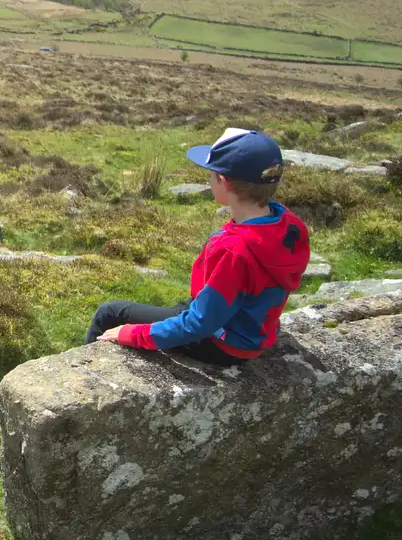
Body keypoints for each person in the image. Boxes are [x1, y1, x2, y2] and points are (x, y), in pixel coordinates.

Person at [86, 128, 310, 368]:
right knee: (178, 308)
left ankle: (86, 374)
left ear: (223, 182)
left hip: (224, 343)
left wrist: (133, 334)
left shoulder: (234, 249)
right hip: (252, 327)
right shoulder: (286, 223)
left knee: (109, 313)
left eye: (211, 174)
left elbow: (199, 324)